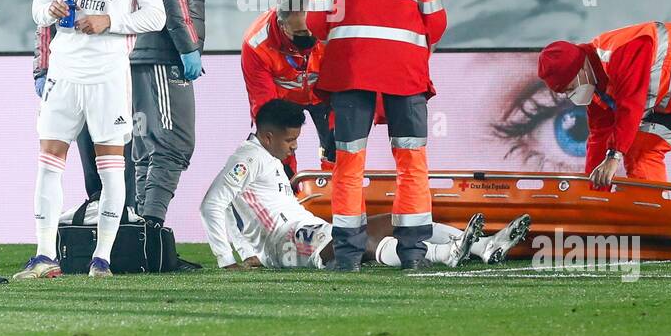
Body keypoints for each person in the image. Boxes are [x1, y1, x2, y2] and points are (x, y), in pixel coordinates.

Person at [15, 0, 165, 280]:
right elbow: (37, 8)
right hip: (64, 71)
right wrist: (50, 10)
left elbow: (156, 15)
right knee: (49, 162)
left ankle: (102, 259)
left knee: (111, 166)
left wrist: (109, 21)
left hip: (108, 73)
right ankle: (46, 256)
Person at [201, 99, 529, 270]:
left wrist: (248, 251)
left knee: (388, 231)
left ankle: (479, 247)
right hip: (292, 241)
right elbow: (212, 204)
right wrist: (226, 259)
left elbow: (229, 208)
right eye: (290, 140)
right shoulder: (248, 158)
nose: (294, 147)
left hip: (301, 234)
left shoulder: (267, 157)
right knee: (374, 235)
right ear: (268, 136)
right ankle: (449, 252)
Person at [306, 0, 446, 270]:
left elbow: (316, 23)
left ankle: (348, 257)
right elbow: (437, 22)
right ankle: (414, 254)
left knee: (349, 162)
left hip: (349, 70)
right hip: (406, 71)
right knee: (412, 160)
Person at [537, 20, 671, 206]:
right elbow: (600, 136)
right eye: (565, 92)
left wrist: (614, 156)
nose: (571, 95)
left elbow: (631, 105)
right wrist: (594, 197)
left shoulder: (622, 50)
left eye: (570, 87)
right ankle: (657, 223)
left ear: (580, 68)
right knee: (640, 153)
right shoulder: (595, 84)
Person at [118, 0, 218, 228]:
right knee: (174, 140)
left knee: (147, 144)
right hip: (160, 46)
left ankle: (142, 229)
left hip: (138, 44)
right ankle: (149, 228)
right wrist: (187, 43)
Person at [33, 0, 139, 214]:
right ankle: (96, 205)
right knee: (83, 137)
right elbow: (44, 17)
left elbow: (148, 14)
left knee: (123, 143)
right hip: (74, 67)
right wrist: (42, 67)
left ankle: (129, 212)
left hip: (124, 66)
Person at [240, 0, 335, 176]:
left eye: (311, 30)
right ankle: (283, 192)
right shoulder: (256, 45)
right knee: (277, 147)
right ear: (282, 25)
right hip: (283, 100)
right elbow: (265, 106)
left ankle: (333, 195)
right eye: (299, 32)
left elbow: (345, 82)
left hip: (325, 93)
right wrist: (280, 162)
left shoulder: (330, 28)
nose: (308, 36)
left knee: (339, 145)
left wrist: (337, 128)